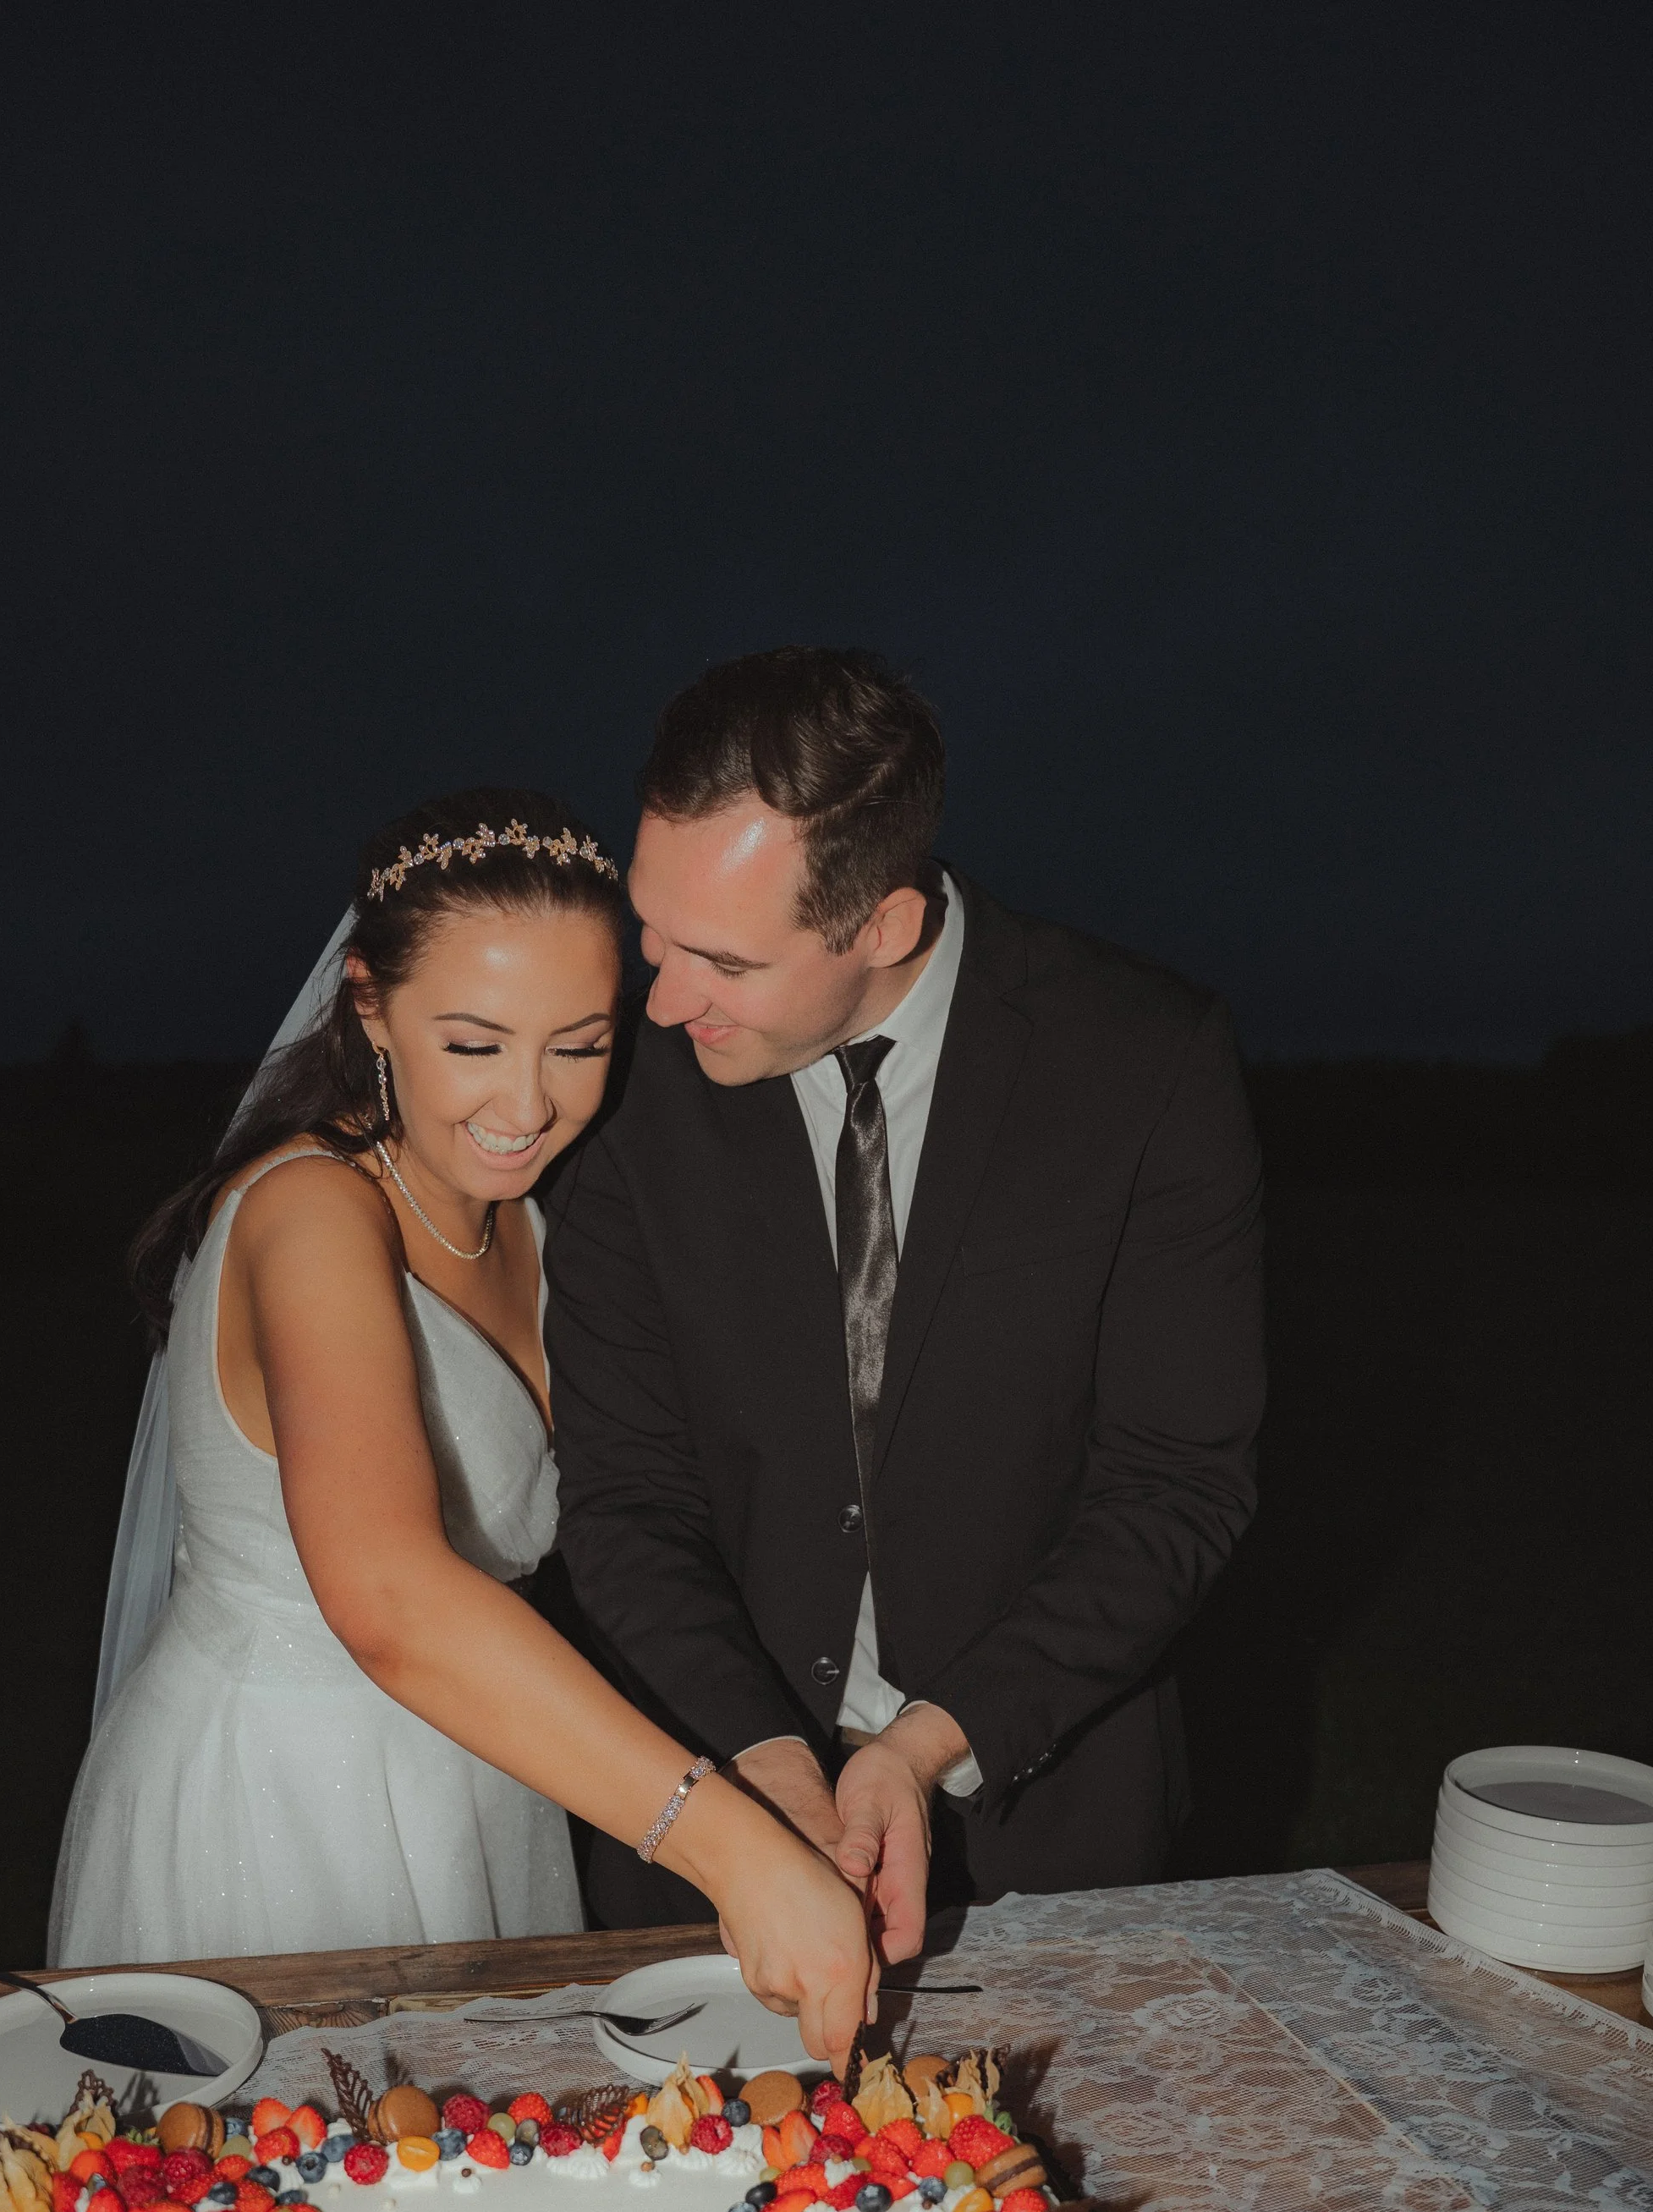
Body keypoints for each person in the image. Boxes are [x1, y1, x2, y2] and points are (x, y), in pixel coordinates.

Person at [50, 785, 875, 2067]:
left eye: (580, 1044)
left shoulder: (534, 1218)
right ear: (371, 1004)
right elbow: (386, 1590)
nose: (530, 1103)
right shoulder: (312, 1212)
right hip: (280, 1804)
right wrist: (732, 1849)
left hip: (484, 1769)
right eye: (476, 1043)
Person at [541, 650, 1266, 1960]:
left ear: (882, 926)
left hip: (1054, 1838)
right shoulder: (627, 1083)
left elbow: (1176, 1487)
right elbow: (624, 1494)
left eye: (721, 960)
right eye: (651, 930)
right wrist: (763, 1763)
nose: (658, 998)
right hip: (706, 1824)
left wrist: (926, 1751)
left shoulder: (1147, 1063)